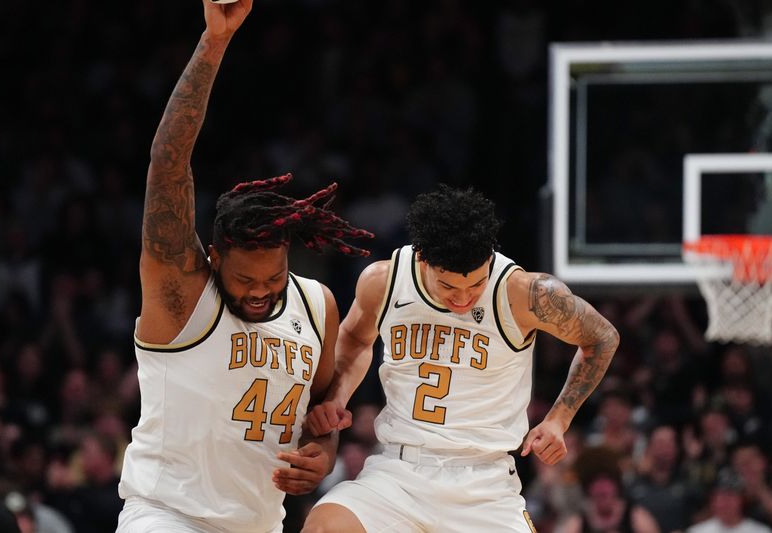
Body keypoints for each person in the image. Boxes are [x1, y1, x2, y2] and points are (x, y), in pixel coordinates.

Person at [116, 2, 372, 532]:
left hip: (259, 523)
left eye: (273, 278)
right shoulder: (184, 296)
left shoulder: (316, 304)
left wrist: (321, 452)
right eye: (245, 280)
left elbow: (321, 415)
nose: (260, 292)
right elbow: (167, 167)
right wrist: (213, 44)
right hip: (167, 517)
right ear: (213, 260)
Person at [302, 185, 620, 533]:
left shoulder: (523, 292)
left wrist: (559, 419)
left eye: (476, 284)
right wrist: (336, 397)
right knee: (324, 526)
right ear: (423, 260)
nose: (464, 298)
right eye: (449, 287)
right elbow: (356, 339)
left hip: (484, 485)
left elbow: (602, 337)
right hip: (397, 474)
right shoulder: (385, 280)